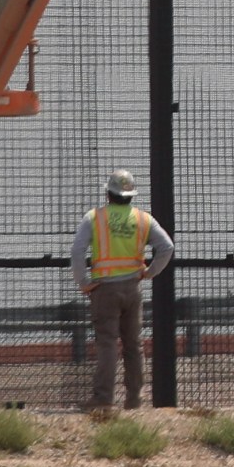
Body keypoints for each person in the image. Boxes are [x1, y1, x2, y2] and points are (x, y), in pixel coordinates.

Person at [71, 170, 174, 410]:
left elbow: (77, 252)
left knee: (107, 342)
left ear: (108, 193)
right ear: (131, 195)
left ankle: (103, 398)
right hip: (132, 289)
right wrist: (149, 272)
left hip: (104, 290)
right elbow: (166, 247)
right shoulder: (143, 219)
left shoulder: (94, 218)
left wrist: (83, 282)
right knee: (133, 345)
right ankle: (134, 400)